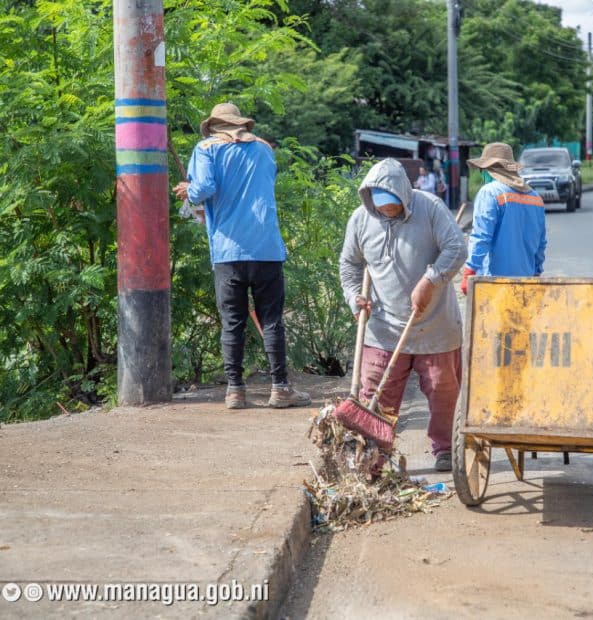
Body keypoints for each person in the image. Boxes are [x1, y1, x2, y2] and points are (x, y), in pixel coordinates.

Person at [172, 103, 310, 410]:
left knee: (232, 322)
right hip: (266, 248)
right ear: (242, 125)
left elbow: (204, 188)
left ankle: (235, 391)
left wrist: (189, 191)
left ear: (213, 126)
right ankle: (281, 388)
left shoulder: (206, 149)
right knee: (271, 319)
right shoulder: (264, 149)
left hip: (228, 250)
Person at [339, 158, 466, 472]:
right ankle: (373, 453)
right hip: (383, 328)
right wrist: (354, 298)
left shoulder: (431, 208)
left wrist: (430, 280)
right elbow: (349, 265)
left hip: (435, 326)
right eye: (379, 203)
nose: (386, 208)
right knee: (376, 393)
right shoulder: (360, 219)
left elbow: (456, 248)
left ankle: (446, 449)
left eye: (392, 203)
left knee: (443, 391)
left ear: (405, 195)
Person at [461, 142, 546, 294]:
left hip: (493, 284)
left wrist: (469, 270)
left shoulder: (489, 192)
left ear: (489, 170)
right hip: (525, 283)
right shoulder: (536, 198)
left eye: (482, 170)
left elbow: (481, 237)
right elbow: (540, 244)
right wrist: (536, 272)